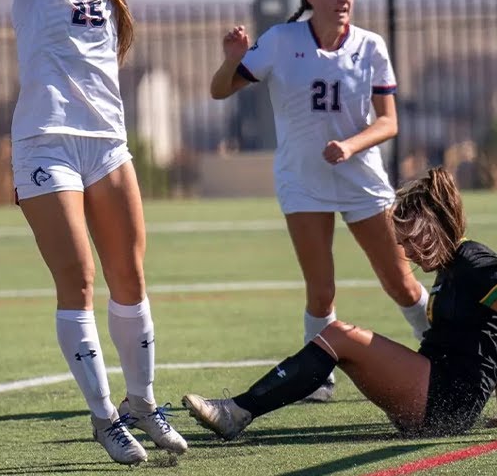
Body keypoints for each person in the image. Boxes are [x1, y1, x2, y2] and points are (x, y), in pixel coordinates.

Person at [8, 0, 186, 465]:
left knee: (130, 276)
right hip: (46, 144)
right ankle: (104, 415)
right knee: (77, 277)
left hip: (108, 147)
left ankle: (143, 401)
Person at [209, 0, 430, 402]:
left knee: (399, 281)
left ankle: (441, 350)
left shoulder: (371, 46)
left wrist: (350, 146)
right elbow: (219, 90)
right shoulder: (280, 40)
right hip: (301, 179)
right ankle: (319, 377)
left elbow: (389, 123)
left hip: (361, 179)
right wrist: (232, 61)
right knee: (321, 287)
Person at [184, 166, 497, 440]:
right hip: (435, 393)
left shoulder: (474, 263)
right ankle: (239, 409)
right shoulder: (452, 266)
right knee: (340, 343)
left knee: (339, 336)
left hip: (448, 401)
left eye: (411, 240)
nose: (408, 253)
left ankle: (237, 411)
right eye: (402, 244)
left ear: (433, 228)